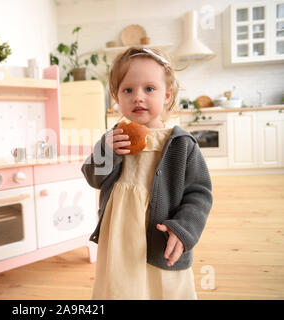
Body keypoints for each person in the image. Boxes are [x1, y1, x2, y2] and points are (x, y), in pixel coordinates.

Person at [81, 47, 213, 299]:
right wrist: (106, 151)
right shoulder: (114, 138)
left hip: (161, 233)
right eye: (128, 90)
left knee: (163, 285)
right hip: (120, 233)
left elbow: (199, 193)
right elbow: (93, 177)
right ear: (116, 97)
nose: (138, 97)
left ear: (167, 95)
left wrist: (184, 229)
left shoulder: (181, 144)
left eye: (149, 89)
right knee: (121, 284)